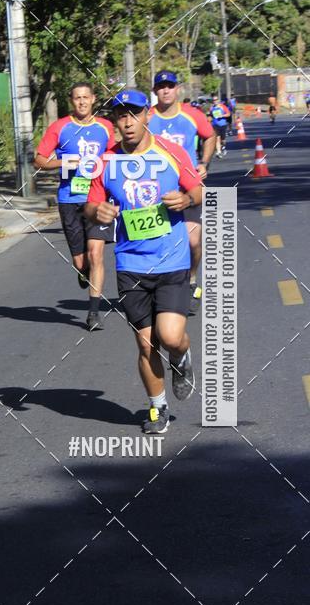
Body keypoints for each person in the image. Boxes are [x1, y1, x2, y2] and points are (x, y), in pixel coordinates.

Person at [84, 90, 203, 435]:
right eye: (121, 116)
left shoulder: (171, 152)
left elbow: (197, 189)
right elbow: (91, 205)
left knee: (170, 336)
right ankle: (158, 409)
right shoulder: (105, 163)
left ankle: (182, 358)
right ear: (115, 122)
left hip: (171, 259)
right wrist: (98, 210)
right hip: (130, 264)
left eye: (133, 114)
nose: (127, 122)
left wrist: (184, 198)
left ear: (147, 115)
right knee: (145, 343)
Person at [34, 82, 115, 331]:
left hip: (97, 197)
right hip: (70, 198)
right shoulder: (60, 127)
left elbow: (113, 154)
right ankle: (83, 272)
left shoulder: (105, 126)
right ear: (71, 101)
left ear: (93, 99)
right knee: (81, 262)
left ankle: (93, 313)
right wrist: (62, 162)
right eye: (77, 98)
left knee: (96, 254)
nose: (81, 102)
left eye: (85, 97)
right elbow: (39, 158)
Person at [147, 71, 216, 316]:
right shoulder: (147, 117)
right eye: (161, 87)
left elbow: (209, 136)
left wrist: (204, 163)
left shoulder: (192, 115)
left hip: (188, 185)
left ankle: (192, 279)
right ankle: (161, 288)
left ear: (178, 89)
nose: (166, 91)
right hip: (154, 188)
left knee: (193, 240)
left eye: (170, 86)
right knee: (159, 239)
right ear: (155, 91)